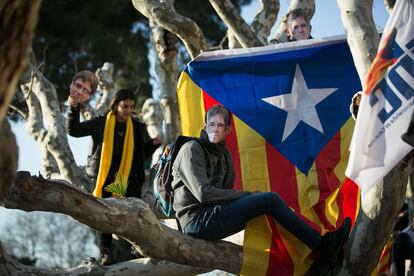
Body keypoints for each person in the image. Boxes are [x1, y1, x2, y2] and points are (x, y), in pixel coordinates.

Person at [172, 105, 351, 275]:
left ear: (228, 130)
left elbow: (226, 195)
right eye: (211, 125)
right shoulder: (191, 149)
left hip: (213, 214)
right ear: (204, 126)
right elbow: (204, 194)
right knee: (269, 200)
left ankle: (306, 260)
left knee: (266, 204)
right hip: (195, 221)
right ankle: (322, 247)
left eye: (220, 125)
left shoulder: (224, 155)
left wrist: (248, 199)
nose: (215, 130)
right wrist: (247, 196)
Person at [66, 81, 162, 265]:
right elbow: (74, 131)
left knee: (134, 217)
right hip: (105, 178)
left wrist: (153, 144)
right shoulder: (101, 122)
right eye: (125, 106)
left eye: (132, 107)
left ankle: (136, 252)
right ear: (116, 104)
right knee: (103, 215)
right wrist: (73, 109)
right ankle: (106, 253)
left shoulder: (137, 127)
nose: (128, 110)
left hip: (129, 180)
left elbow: (141, 155)